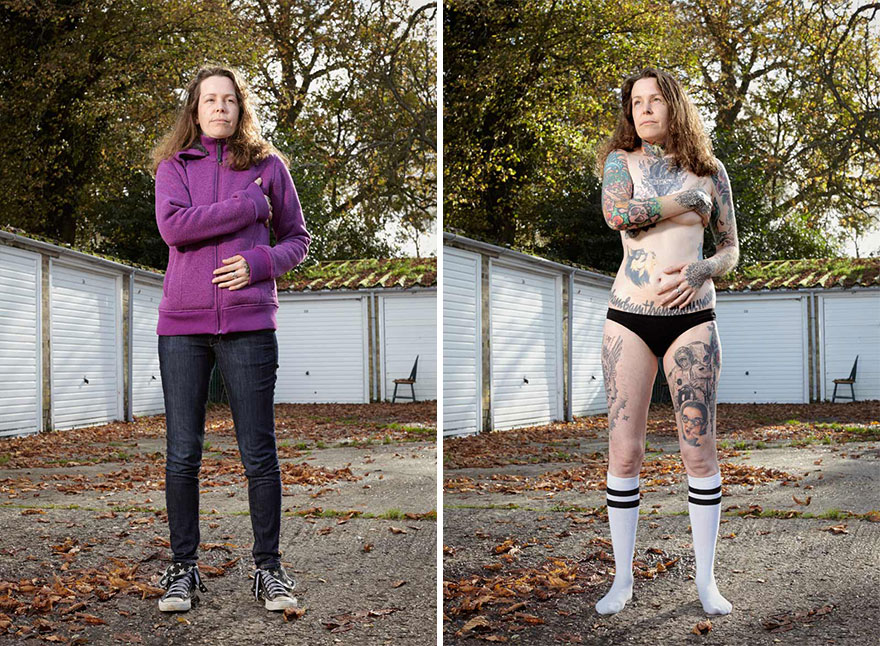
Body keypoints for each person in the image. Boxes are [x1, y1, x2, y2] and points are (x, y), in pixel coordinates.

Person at [149, 65, 311, 613]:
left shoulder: (269, 167)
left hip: (248, 327)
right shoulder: (173, 168)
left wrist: (260, 262)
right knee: (182, 455)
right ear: (194, 109)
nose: (219, 108)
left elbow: (298, 240)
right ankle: (183, 569)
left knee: (259, 455)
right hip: (182, 328)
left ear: (241, 108)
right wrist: (247, 207)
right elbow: (174, 228)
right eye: (208, 100)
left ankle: (269, 570)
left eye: (229, 100)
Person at [594, 67, 739, 616]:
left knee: (697, 449)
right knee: (624, 450)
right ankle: (622, 581)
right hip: (628, 317)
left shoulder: (711, 170)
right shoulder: (619, 163)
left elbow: (730, 248)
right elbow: (616, 215)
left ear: (674, 105)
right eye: (636, 102)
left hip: (693, 319)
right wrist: (683, 204)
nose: (645, 110)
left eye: (656, 100)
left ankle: (706, 582)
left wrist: (703, 268)